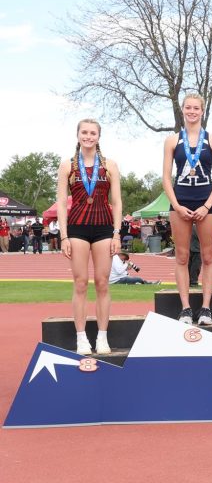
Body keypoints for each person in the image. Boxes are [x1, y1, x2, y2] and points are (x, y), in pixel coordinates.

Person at [56, 118, 122, 355]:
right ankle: (81, 337)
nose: (88, 136)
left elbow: (117, 201)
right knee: (81, 283)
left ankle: (102, 337)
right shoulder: (67, 166)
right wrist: (63, 236)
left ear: (98, 137)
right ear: (78, 135)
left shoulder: (110, 165)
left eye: (92, 133)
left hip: (104, 227)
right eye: (84, 132)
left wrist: (117, 233)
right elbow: (62, 203)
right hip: (77, 228)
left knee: (103, 283)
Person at [162, 93, 212, 326]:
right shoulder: (172, 141)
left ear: (202, 111)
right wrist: (176, 206)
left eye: (196, 108)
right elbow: (166, 178)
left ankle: (206, 308)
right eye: (188, 108)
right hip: (180, 202)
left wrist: (207, 205)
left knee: (208, 256)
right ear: (182, 110)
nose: (191, 111)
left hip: (206, 202)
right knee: (182, 256)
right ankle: (186, 308)